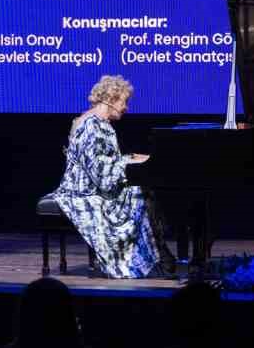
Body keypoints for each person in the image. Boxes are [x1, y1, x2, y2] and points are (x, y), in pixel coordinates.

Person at [51, 75, 172, 280]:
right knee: (140, 196)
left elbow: (104, 160)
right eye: (124, 101)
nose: (126, 108)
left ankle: (155, 255)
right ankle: (140, 261)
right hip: (82, 192)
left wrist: (131, 158)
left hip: (94, 186)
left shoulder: (101, 124)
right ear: (110, 99)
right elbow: (100, 174)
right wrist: (130, 162)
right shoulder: (91, 126)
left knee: (144, 192)